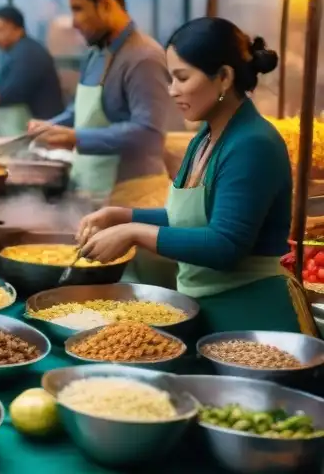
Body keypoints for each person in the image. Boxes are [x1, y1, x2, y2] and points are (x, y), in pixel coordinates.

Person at [76, 18, 303, 333]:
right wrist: (120, 215)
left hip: (255, 321)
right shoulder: (205, 137)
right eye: (171, 78)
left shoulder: (253, 144)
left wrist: (133, 232)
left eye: (182, 78)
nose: (172, 91)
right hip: (210, 310)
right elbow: (189, 220)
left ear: (224, 77)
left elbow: (225, 244)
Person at [28, 0, 175, 285]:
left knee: (134, 294)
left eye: (78, 9)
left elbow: (149, 132)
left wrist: (76, 138)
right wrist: (49, 126)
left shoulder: (144, 56)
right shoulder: (95, 54)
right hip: (94, 196)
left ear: (106, 4)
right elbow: (78, 111)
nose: (74, 20)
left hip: (135, 200)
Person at [0, 5, 64, 135]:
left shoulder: (28, 53)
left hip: (43, 131)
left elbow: (11, 94)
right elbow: (1, 86)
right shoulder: (16, 52)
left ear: (17, 29)